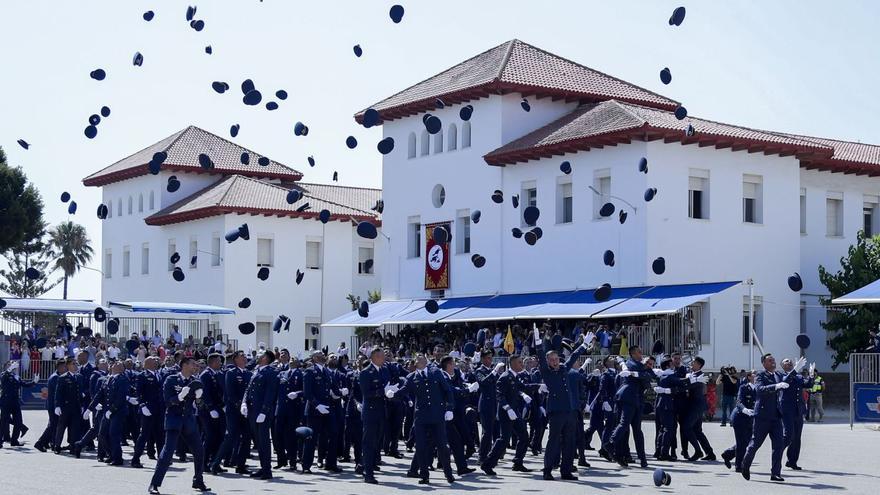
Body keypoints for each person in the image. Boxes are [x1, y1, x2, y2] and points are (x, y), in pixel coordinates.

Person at [148, 356, 210, 494]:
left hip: (189, 421)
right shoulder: (171, 379)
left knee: (199, 451)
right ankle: (154, 484)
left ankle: (198, 480)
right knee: (167, 453)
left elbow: (200, 406)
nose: (196, 367)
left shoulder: (196, 382)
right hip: (174, 420)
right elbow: (167, 401)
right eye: (193, 364)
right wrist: (179, 397)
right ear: (184, 365)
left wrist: (199, 398)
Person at [534, 323, 588, 480]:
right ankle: (547, 470)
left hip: (569, 411)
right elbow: (540, 357)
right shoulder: (546, 372)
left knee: (570, 442)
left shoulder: (564, 368)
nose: (555, 361)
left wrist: (584, 345)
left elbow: (573, 357)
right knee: (554, 442)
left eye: (556, 359)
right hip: (556, 411)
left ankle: (566, 471)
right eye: (552, 360)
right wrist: (538, 343)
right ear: (548, 361)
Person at [741, 353, 806, 482]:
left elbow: (786, 380)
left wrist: (794, 370)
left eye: (774, 360)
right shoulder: (760, 375)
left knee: (778, 445)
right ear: (764, 363)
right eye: (770, 361)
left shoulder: (778, 375)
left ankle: (775, 473)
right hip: (763, 416)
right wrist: (776, 386)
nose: (773, 362)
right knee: (755, 444)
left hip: (776, 416)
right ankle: (745, 464)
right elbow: (760, 390)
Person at [395, 354, 456, 484]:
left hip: (437, 415)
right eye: (418, 358)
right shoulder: (411, 377)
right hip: (421, 417)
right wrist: (391, 394)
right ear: (415, 363)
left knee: (443, 446)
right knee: (421, 447)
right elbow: (404, 390)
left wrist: (449, 408)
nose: (421, 359)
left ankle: (448, 473)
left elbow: (447, 391)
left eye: (423, 357)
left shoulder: (436, 372)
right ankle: (424, 475)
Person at [481, 354, 532, 474]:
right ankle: (487, 464)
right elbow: (499, 395)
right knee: (504, 439)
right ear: (513, 364)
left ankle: (518, 462)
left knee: (524, 436)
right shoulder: (505, 377)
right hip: (506, 412)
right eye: (520, 362)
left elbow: (523, 387)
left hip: (514, 412)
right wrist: (508, 408)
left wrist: (539, 387)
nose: (522, 364)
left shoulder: (514, 376)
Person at [209, 351, 252, 475]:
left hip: (245, 411)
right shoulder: (231, 373)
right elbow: (230, 393)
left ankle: (241, 464)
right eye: (242, 356)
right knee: (231, 437)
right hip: (233, 411)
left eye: (245, 356)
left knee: (247, 438)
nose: (244, 358)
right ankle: (215, 463)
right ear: (236, 359)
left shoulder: (249, 374)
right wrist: (240, 405)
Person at [302, 350, 342, 474]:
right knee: (311, 438)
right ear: (314, 358)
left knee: (333, 434)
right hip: (315, 410)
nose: (322, 356)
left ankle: (331, 463)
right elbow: (307, 392)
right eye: (319, 354)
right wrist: (317, 405)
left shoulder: (327, 371)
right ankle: (306, 466)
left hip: (328, 408)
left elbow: (334, 389)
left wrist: (340, 393)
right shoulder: (309, 371)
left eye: (322, 354)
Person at [243, 350, 279, 480]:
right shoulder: (257, 370)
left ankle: (267, 470)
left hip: (262, 412)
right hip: (253, 410)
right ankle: (263, 467)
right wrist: (244, 404)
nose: (258, 356)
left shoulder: (271, 372)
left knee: (264, 441)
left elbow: (270, 394)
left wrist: (264, 411)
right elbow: (249, 389)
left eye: (261, 355)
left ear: (266, 358)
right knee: (258, 441)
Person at [358, 348, 390, 484]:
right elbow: (367, 393)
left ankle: (362, 464)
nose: (384, 358)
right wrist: (383, 391)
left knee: (376, 442)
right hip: (370, 412)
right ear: (375, 357)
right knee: (369, 442)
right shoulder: (366, 372)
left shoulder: (383, 370)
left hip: (381, 411)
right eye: (382, 356)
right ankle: (368, 473)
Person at [779, 357, 813, 471]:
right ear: (782, 365)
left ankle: (792, 461)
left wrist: (811, 375)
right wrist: (795, 369)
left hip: (798, 410)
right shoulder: (780, 375)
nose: (789, 363)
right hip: (787, 410)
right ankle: (777, 455)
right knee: (788, 435)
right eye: (786, 362)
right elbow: (786, 381)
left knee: (797, 437)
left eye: (790, 362)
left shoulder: (798, 376)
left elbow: (808, 385)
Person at [132, 356, 164, 468]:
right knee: (144, 435)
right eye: (153, 361)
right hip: (148, 410)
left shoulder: (158, 375)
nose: (156, 362)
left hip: (158, 410)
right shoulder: (142, 375)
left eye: (156, 361)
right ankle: (135, 459)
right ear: (146, 364)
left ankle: (162, 458)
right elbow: (138, 392)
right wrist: (142, 405)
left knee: (160, 435)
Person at [722, 370, 756, 472]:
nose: (758, 376)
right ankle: (739, 466)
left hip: (751, 419)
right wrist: (744, 409)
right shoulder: (744, 387)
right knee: (742, 442)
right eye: (755, 374)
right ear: (749, 377)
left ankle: (728, 454)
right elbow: (739, 401)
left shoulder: (759, 389)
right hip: (739, 417)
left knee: (748, 441)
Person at [681, 356, 715, 461]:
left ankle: (698, 451)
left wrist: (687, 380)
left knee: (686, 427)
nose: (691, 363)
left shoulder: (701, 376)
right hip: (696, 405)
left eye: (694, 362)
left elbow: (687, 386)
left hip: (696, 405)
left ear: (699, 365)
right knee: (697, 430)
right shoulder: (693, 374)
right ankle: (710, 453)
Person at [1, 360, 36, 447]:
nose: (12, 366)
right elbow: (3, 379)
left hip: (15, 401)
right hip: (6, 402)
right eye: (9, 365)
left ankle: (14, 440)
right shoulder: (4, 374)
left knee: (18, 421)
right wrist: (9, 369)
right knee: (4, 421)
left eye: (12, 365)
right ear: (6, 367)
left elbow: (24, 384)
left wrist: (34, 381)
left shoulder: (16, 376)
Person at [35, 360, 68, 452]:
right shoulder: (55, 377)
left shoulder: (57, 376)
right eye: (64, 367)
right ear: (59, 367)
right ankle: (40, 443)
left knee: (54, 425)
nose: (66, 368)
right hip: (53, 406)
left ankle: (52, 443)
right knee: (53, 425)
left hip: (54, 405)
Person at [53, 358, 81, 453]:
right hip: (65, 407)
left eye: (76, 364)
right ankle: (57, 446)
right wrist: (57, 406)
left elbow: (81, 391)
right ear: (68, 366)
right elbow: (58, 393)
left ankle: (72, 446)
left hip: (76, 407)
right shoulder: (63, 377)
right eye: (73, 364)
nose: (76, 365)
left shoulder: (79, 377)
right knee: (61, 427)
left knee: (74, 428)